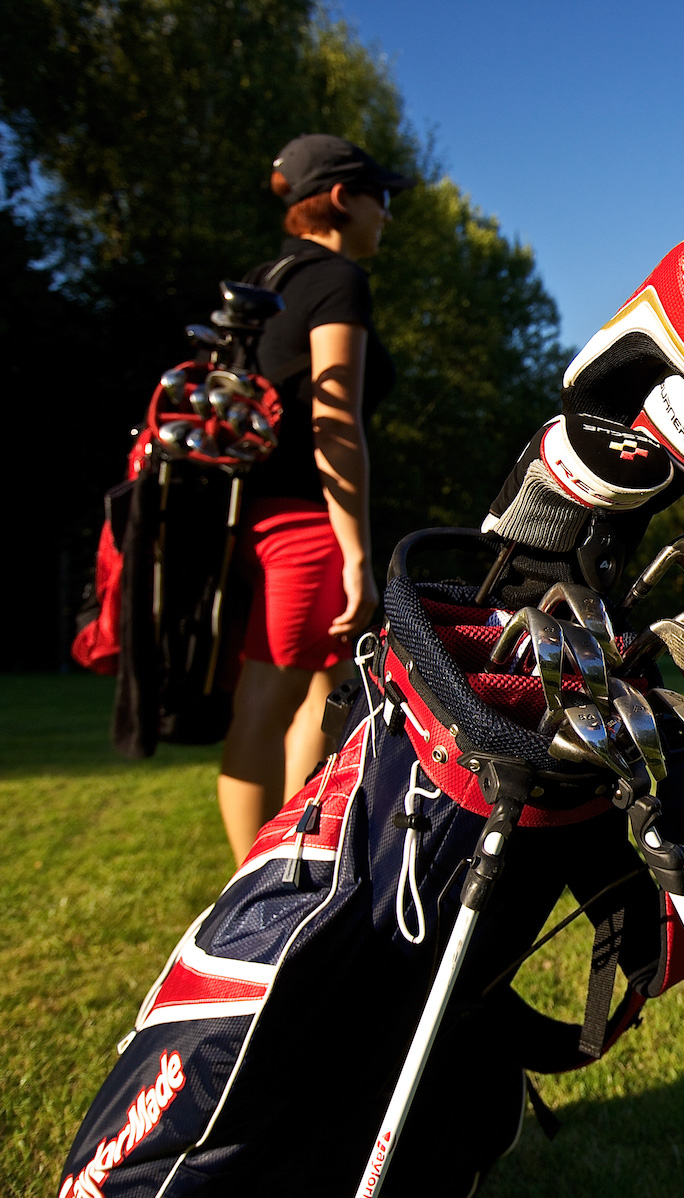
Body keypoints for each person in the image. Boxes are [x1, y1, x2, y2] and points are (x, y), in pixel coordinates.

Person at [215, 134, 412, 863]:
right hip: (307, 522)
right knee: (267, 702)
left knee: (323, 694)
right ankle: (252, 899)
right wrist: (357, 552)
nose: (385, 216)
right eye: (379, 198)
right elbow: (335, 417)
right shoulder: (336, 280)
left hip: (251, 517)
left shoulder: (264, 277)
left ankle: (300, 859)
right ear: (340, 198)